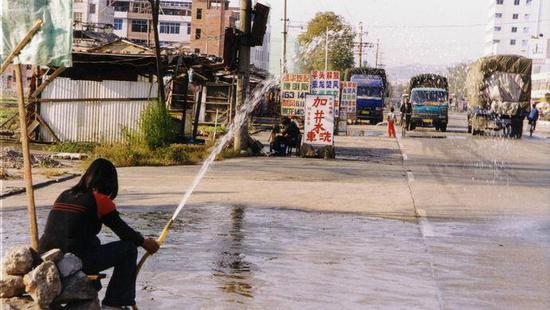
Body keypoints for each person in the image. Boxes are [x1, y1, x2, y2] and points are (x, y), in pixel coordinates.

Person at [39, 159, 159, 309]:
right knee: (128, 249)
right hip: (73, 260)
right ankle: (113, 304)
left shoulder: (65, 194)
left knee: (93, 243)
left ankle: (109, 296)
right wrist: (145, 242)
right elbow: (124, 233)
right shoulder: (100, 200)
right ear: (110, 182)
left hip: (49, 258)